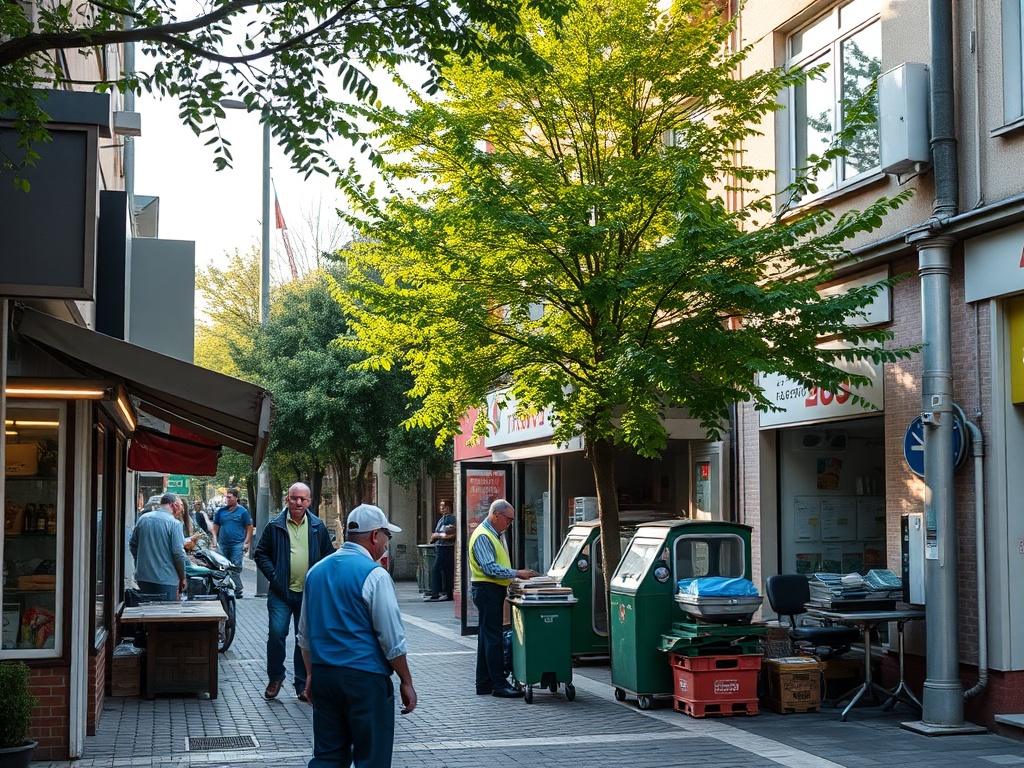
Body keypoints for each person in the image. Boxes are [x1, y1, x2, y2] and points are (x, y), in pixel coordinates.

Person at [297, 504, 416, 768]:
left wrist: (311, 674)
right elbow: (392, 639)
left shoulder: (315, 571)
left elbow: (304, 635)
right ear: (375, 536)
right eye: (387, 536)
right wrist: (406, 681)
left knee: (328, 755)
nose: (387, 544)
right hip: (365, 678)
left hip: (325, 676)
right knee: (371, 757)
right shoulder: (375, 575)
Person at [255, 481, 333, 702]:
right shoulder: (275, 525)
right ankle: (276, 677)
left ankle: (302, 684)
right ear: (287, 499)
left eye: (303, 499)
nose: (298, 502)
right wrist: (275, 576)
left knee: (304, 639)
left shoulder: (318, 527)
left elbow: (328, 556)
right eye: (294, 498)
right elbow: (260, 554)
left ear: (309, 501)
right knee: (277, 635)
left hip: (308, 594)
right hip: (281, 592)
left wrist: (320, 582)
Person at [468, 498, 537, 698]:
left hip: (491, 590)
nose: (509, 524)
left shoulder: (495, 534)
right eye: (508, 519)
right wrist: (517, 573)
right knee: (493, 638)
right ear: (496, 515)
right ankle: (499, 683)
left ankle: (484, 683)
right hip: (486, 589)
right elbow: (489, 567)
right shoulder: (483, 535)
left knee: (486, 637)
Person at [128, 492, 187, 602]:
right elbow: (178, 553)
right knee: (165, 614)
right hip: (166, 579)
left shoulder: (143, 519)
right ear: (175, 505)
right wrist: (182, 577)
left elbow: (132, 544)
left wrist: (141, 561)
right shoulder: (174, 524)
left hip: (143, 577)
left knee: (146, 613)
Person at [212, 488, 253, 597]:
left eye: (230, 497)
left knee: (235, 567)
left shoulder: (243, 512)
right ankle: (225, 587)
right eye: (226, 497)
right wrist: (215, 541)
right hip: (223, 544)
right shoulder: (220, 511)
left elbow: (249, 528)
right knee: (222, 567)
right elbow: (215, 527)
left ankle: (238, 589)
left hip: (237, 544)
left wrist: (246, 543)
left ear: (236, 498)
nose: (227, 499)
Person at [423, 500, 455, 602]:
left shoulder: (451, 518)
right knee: (446, 571)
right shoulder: (442, 519)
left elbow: (450, 533)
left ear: (450, 507)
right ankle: (447, 592)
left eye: (445, 506)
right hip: (442, 547)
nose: (442, 508)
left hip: (447, 548)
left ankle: (436, 593)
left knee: (437, 570)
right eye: (440, 506)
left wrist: (437, 536)